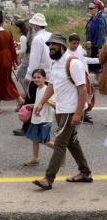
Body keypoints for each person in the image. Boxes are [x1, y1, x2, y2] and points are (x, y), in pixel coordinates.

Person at [32, 33, 93, 190]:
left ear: (62, 46)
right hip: (60, 109)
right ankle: (85, 172)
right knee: (72, 142)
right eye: (49, 45)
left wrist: (78, 113)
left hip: (70, 110)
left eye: (54, 44)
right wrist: (41, 103)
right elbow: (52, 85)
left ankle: (48, 178)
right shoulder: (56, 63)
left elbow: (82, 89)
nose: (51, 47)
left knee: (59, 143)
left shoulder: (73, 63)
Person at [14, 13, 51, 136]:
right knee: (45, 101)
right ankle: (41, 125)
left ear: (35, 25)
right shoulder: (49, 36)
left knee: (30, 100)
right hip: (49, 74)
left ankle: (26, 127)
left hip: (38, 74)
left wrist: (29, 76)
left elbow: (34, 60)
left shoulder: (37, 39)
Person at [22, 69, 55, 166]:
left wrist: (46, 101)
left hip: (44, 119)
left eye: (39, 77)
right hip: (36, 118)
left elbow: (54, 103)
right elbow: (38, 103)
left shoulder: (47, 89)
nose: (36, 79)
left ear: (44, 78)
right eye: (35, 77)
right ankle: (35, 158)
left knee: (44, 140)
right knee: (35, 139)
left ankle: (60, 150)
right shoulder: (38, 89)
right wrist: (30, 106)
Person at [85, 0, 106, 75]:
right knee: (91, 69)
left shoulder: (100, 20)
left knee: (97, 70)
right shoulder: (91, 20)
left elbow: (101, 35)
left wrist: (100, 49)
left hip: (97, 48)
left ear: (97, 8)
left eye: (91, 8)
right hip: (91, 48)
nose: (89, 10)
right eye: (89, 8)